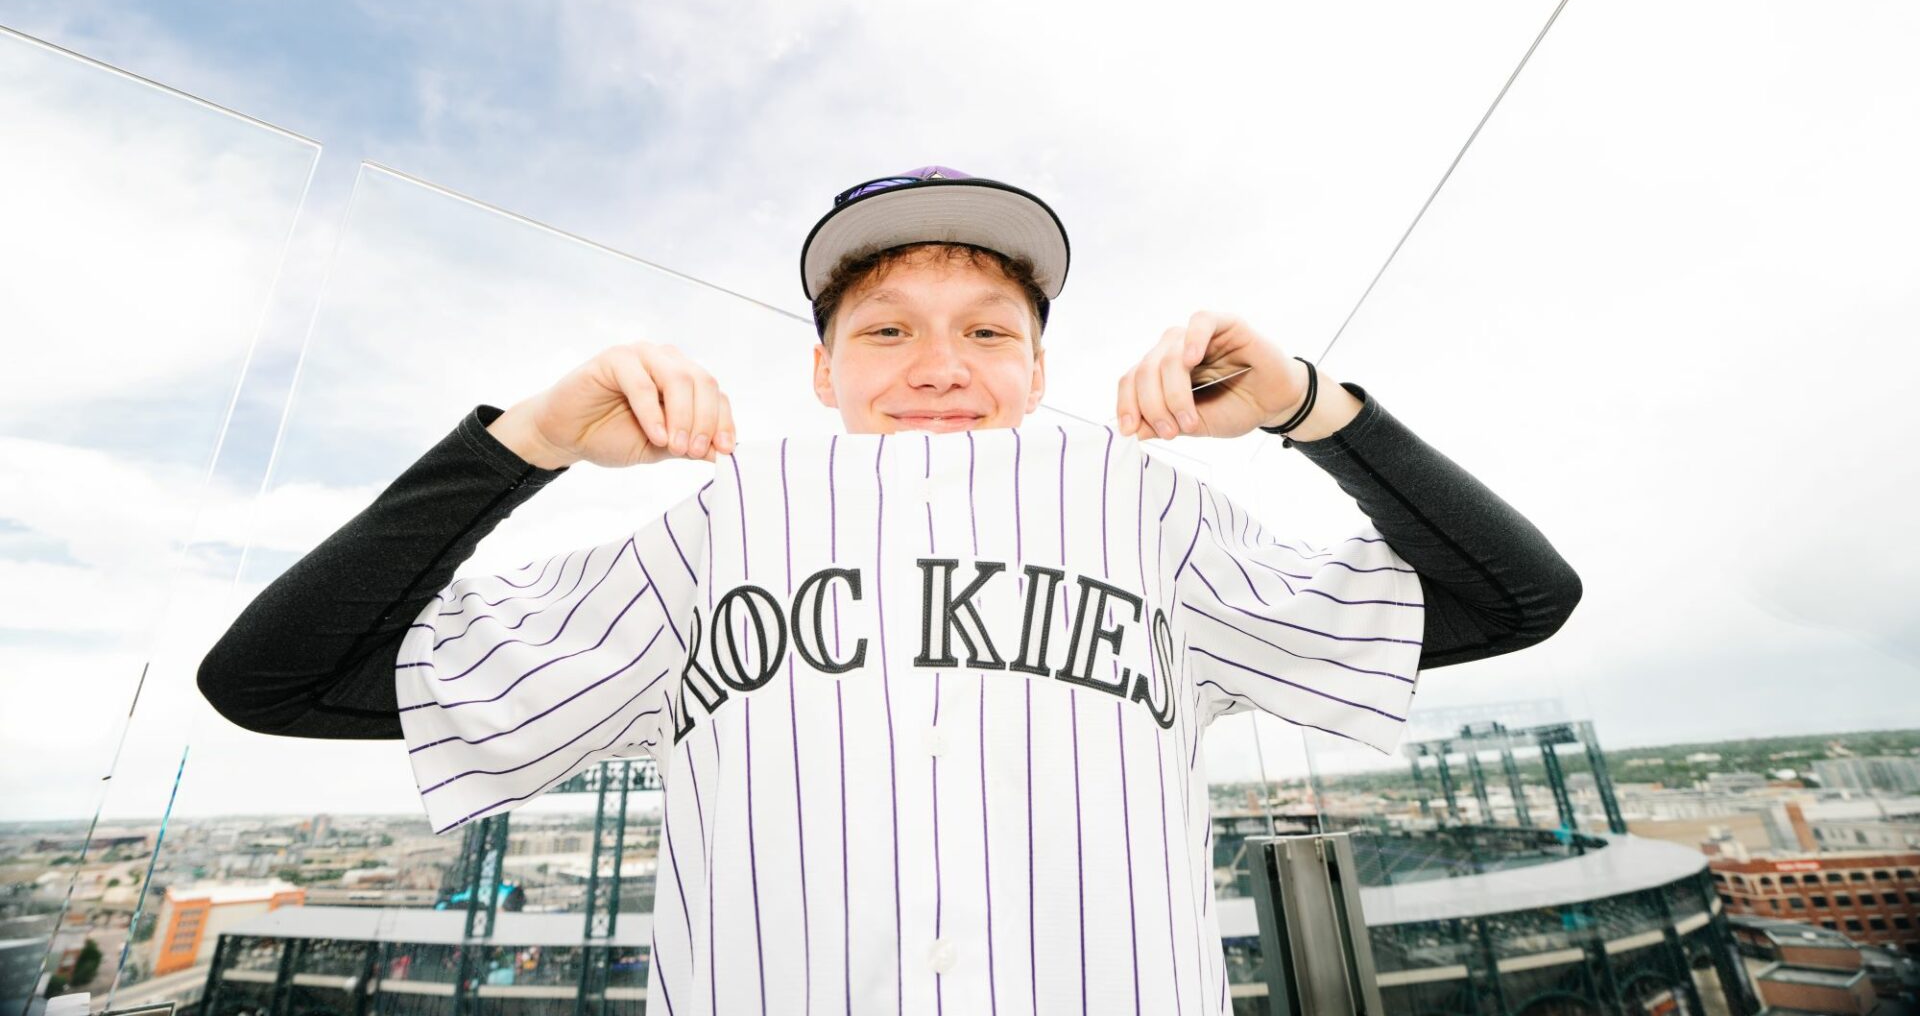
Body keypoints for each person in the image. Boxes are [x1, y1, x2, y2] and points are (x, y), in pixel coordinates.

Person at [199, 166, 1581, 1014]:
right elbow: (276, 679)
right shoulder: (720, 527)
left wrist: (1311, 407)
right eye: (885, 329)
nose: (939, 364)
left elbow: (1513, 598)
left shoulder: (1145, 508)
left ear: (1038, 368)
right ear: (823, 370)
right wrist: (529, 441)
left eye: (988, 329)